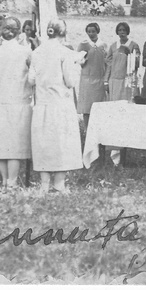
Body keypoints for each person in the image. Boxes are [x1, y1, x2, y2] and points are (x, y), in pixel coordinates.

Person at [28, 19, 84, 193]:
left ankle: (44, 183)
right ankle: (59, 183)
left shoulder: (37, 52)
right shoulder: (65, 53)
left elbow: (30, 80)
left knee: (44, 143)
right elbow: (71, 81)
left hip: (42, 105)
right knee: (61, 143)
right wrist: (77, 64)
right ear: (64, 33)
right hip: (60, 104)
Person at [0, 17, 34, 187]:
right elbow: (32, 77)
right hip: (19, 101)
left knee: (2, 141)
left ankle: (5, 179)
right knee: (15, 142)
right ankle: (12, 181)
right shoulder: (25, 52)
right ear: (19, 31)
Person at [105, 22, 140, 166]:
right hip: (115, 81)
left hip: (127, 82)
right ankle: (114, 149)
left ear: (128, 31)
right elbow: (108, 63)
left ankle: (127, 146)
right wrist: (106, 81)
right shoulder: (113, 46)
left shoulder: (134, 45)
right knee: (114, 113)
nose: (122, 32)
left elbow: (137, 63)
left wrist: (129, 54)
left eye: (124, 30)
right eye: (119, 30)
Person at [76, 23, 109, 130]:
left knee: (99, 106)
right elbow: (78, 61)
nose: (91, 34)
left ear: (97, 31)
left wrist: (106, 80)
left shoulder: (103, 45)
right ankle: (86, 130)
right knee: (87, 108)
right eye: (89, 31)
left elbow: (107, 62)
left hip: (99, 79)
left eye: (93, 31)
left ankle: (98, 130)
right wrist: (83, 58)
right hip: (87, 80)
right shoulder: (83, 45)